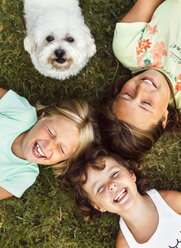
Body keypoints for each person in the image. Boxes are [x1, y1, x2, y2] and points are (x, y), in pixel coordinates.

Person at [98, 0, 181, 160]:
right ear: (164, 118)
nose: (142, 88)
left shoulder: (128, 48)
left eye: (127, 95)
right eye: (146, 104)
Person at [66, 143, 181, 247]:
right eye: (100, 188)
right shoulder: (125, 244)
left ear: (131, 174)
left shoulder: (168, 202)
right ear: (99, 206)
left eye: (115, 173)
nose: (111, 185)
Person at [0, 88, 96, 200]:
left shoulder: (24, 175)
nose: (48, 146)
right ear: (41, 117)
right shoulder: (21, 114)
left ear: (64, 159)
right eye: (50, 132)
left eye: (62, 149)